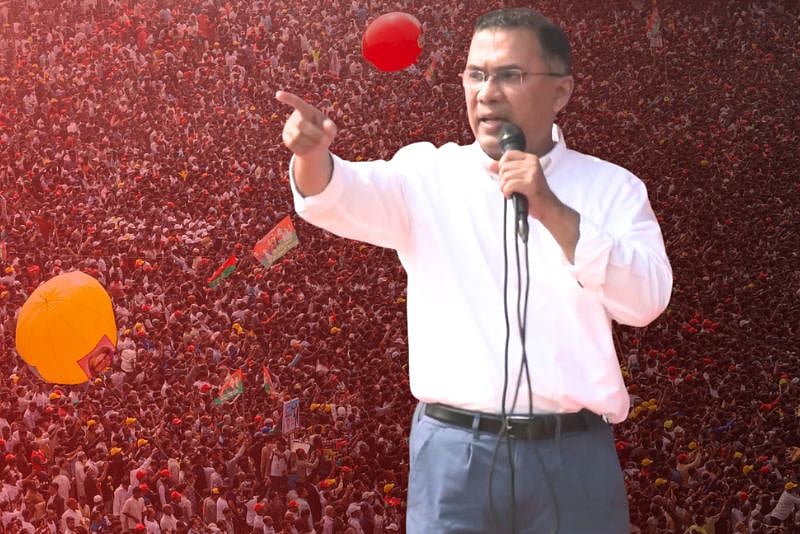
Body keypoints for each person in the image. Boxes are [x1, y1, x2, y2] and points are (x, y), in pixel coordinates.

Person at [277, 7, 672, 533]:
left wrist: (553, 210)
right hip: (453, 455)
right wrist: (311, 155)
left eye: (510, 75)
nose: (487, 93)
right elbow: (336, 194)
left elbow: (646, 301)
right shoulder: (428, 174)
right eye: (476, 74)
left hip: (572, 456)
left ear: (561, 91)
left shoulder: (612, 189)